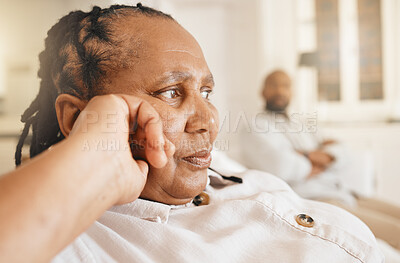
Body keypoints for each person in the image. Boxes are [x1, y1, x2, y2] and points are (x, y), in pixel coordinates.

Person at [8, 4, 383, 262]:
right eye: (171, 92)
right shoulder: (70, 243)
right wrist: (89, 154)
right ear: (77, 119)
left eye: (206, 92)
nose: (209, 119)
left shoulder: (203, 163)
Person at [241, 69, 400, 250]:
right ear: (263, 91)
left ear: (292, 91)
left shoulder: (301, 124)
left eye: (285, 85)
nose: (280, 90)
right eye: (273, 85)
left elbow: (343, 152)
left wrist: (305, 155)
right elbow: (282, 166)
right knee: (396, 232)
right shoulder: (255, 126)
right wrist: (316, 156)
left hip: (344, 192)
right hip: (317, 199)